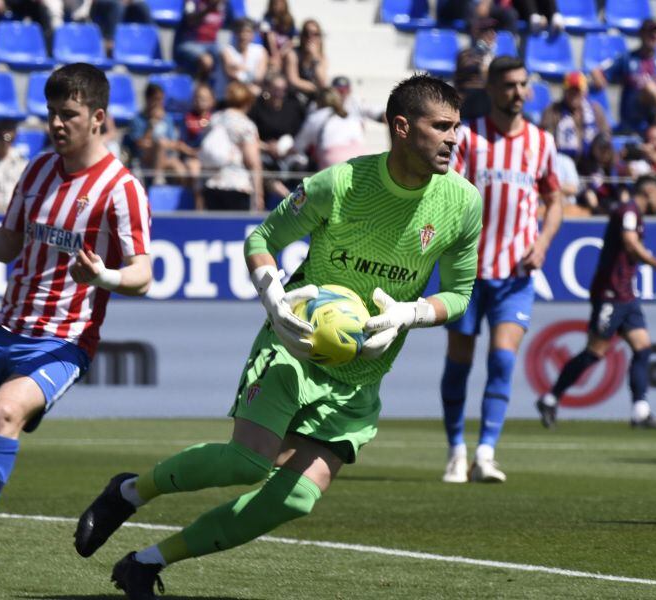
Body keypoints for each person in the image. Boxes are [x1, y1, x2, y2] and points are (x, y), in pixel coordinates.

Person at [72, 73, 482, 597]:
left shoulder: (463, 203)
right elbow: (263, 237)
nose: (454, 138)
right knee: (248, 462)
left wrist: (408, 314)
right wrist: (273, 296)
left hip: (362, 373)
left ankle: (147, 563)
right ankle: (129, 491)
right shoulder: (340, 184)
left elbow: (461, 293)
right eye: (441, 126)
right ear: (401, 128)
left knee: (296, 499)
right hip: (295, 344)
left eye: (457, 127)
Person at [0, 63, 153, 578]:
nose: (56, 124)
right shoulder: (34, 171)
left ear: (97, 117)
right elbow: (9, 243)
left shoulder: (121, 189)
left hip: (63, 339)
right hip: (5, 324)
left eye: (68, 115)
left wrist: (104, 277)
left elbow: (142, 275)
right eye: (51, 113)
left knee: (6, 410)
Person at [440, 56, 562, 484]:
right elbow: (445, 192)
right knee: (459, 364)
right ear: (491, 90)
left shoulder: (542, 143)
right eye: (509, 85)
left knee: (503, 362)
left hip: (515, 275)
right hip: (467, 273)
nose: (517, 93)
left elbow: (555, 199)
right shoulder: (469, 139)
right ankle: (456, 449)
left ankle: (485, 453)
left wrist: (542, 243)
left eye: (523, 85)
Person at [536, 174, 656, 429]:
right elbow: (629, 243)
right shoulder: (628, 211)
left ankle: (640, 411)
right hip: (610, 293)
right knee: (595, 352)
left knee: (643, 346)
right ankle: (550, 398)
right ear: (648, 190)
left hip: (626, 294)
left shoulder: (634, 213)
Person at [591, 19, 656, 136]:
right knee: (650, 87)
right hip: (633, 116)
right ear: (641, 34)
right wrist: (598, 82)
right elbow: (598, 72)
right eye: (650, 32)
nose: (654, 35)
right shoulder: (627, 58)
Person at [199, 81, 264, 211]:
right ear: (247, 101)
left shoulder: (215, 119)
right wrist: (259, 194)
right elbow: (253, 162)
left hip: (212, 184)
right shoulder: (246, 125)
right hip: (237, 185)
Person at [127, 83, 191, 185]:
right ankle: (157, 180)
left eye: (161, 99)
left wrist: (162, 145)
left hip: (166, 157)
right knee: (161, 144)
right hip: (146, 159)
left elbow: (174, 143)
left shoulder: (167, 119)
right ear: (148, 99)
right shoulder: (138, 120)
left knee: (181, 171)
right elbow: (140, 144)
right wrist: (152, 124)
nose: (160, 103)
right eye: (156, 99)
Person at [540, 71, 610, 161]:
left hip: (591, 163)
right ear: (564, 91)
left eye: (577, 90)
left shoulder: (596, 110)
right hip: (562, 163)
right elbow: (545, 141)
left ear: (584, 92)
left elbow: (606, 135)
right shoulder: (552, 111)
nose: (574, 95)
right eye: (571, 90)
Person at [454, 16, 498, 120]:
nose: (492, 34)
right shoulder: (466, 54)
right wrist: (485, 61)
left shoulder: (494, 58)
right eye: (486, 31)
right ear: (476, 33)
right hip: (469, 100)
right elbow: (469, 70)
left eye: (493, 31)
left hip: (486, 101)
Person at [172, 0, 225, 81]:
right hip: (190, 43)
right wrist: (208, 10)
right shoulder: (192, 2)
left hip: (212, 44)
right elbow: (190, 20)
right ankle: (201, 88)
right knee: (207, 61)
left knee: (227, 56)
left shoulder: (222, 6)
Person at [218, 18, 268, 98]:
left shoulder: (260, 51)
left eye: (248, 32)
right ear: (235, 33)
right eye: (240, 31)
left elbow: (259, 77)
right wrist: (249, 78)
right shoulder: (227, 50)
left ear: (253, 34)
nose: (243, 35)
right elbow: (231, 74)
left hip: (252, 96)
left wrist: (239, 69)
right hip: (230, 97)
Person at [284, 19, 329, 107]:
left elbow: (322, 82)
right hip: (294, 97)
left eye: (315, 34)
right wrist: (316, 88)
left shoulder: (322, 57)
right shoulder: (293, 54)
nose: (310, 37)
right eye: (306, 33)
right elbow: (293, 81)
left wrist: (315, 57)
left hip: (314, 98)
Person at [261, 0, 296, 73]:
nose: (277, 6)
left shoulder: (289, 20)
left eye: (280, 3)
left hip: (284, 51)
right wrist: (275, 55)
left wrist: (280, 55)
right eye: (275, 3)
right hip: (270, 52)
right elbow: (268, 36)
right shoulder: (267, 18)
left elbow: (292, 40)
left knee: (290, 56)